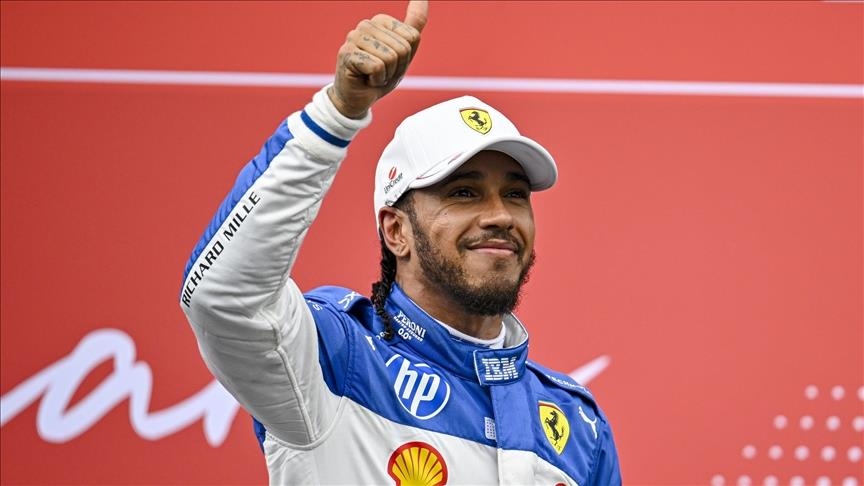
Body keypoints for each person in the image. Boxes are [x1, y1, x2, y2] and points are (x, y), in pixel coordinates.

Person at [180, 1, 621, 484]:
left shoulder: (578, 427)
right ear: (396, 231)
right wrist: (337, 113)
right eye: (464, 193)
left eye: (515, 194)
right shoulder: (335, 358)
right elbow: (222, 298)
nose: (499, 215)